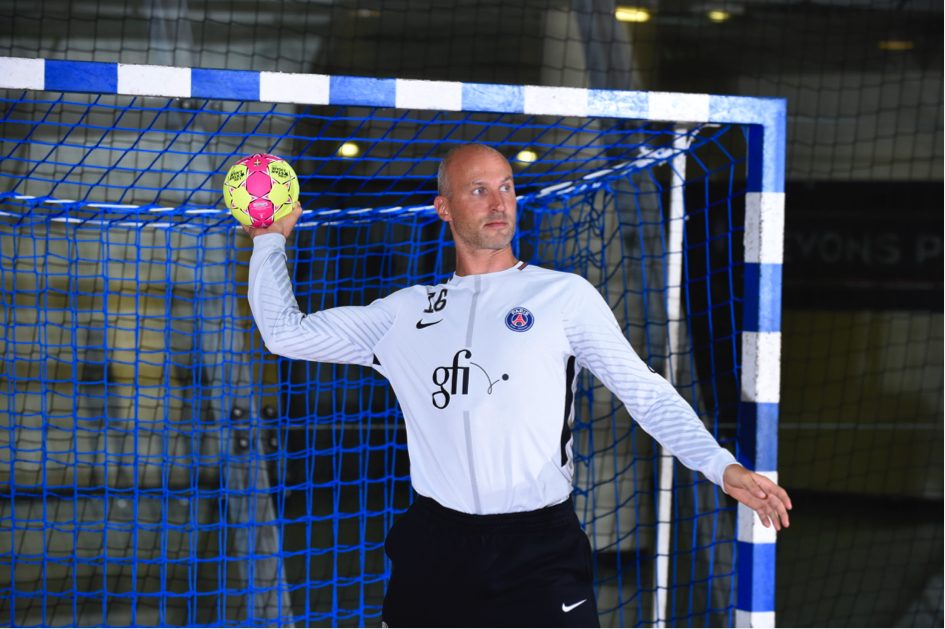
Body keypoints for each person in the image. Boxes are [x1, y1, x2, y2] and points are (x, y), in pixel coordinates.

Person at [244, 143, 791, 627]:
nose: (499, 202)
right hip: (435, 548)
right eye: (478, 190)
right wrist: (269, 240)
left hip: (538, 551)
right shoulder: (403, 314)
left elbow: (643, 391)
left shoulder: (563, 297)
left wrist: (720, 465)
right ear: (444, 207)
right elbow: (285, 334)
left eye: (506, 187)